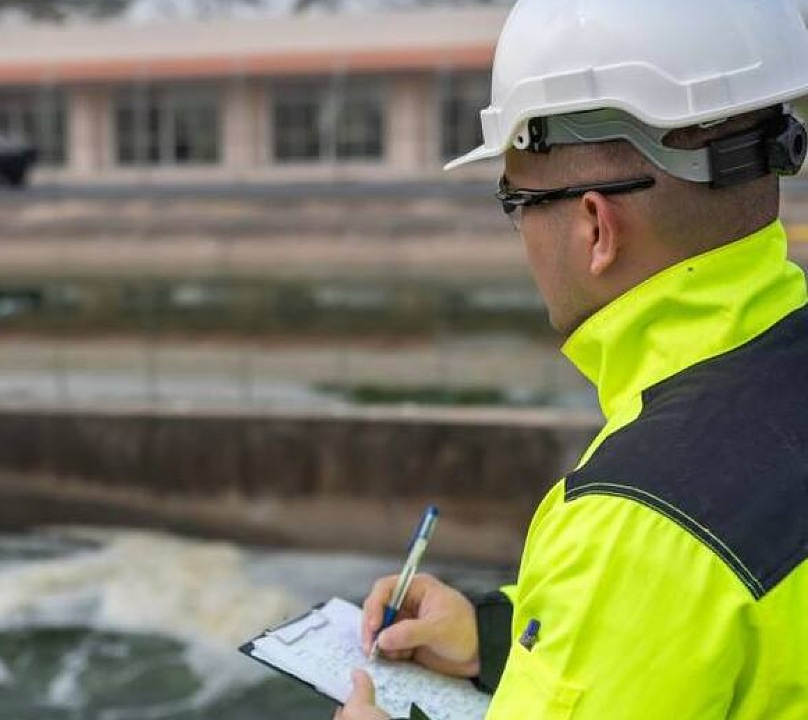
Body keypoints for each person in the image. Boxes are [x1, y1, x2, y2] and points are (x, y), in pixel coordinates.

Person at [336, 0, 808, 718]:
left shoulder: (638, 520)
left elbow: (656, 583)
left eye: (515, 200)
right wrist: (498, 636)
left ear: (596, 227)